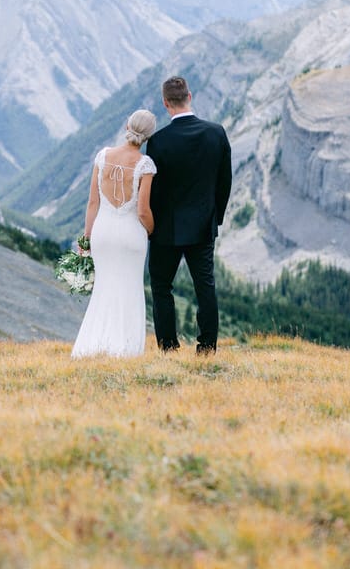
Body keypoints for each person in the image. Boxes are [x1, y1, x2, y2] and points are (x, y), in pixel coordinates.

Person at [146, 76, 232, 354]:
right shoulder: (216, 133)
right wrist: (214, 218)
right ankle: (206, 348)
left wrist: (152, 225)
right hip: (202, 225)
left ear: (165, 104)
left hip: (166, 229)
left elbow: (154, 190)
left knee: (161, 287)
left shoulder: (158, 141)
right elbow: (224, 182)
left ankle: (168, 348)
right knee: (205, 287)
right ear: (190, 96)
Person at [71, 109, 157, 358]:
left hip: (103, 232)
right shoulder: (145, 165)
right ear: (149, 135)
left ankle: (94, 346)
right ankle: (125, 349)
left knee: (104, 288)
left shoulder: (103, 156)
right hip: (131, 236)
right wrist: (151, 230)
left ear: (127, 125)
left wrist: (86, 239)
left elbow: (92, 203)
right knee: (129, 288)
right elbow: (142, 210)